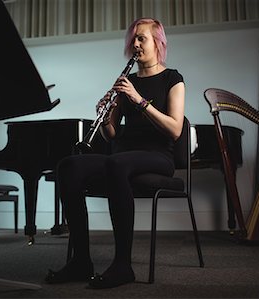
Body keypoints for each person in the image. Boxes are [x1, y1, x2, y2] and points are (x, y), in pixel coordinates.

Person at [45, 17, 185, 289]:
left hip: (159, 156)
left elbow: (175, 130)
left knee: (116, 164)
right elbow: (111, 134)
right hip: (123, 155)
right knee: (69, 166)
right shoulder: (126, 81)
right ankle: (81, 261)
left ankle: (123, 265)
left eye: (141, 38)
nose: (135, 43)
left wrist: (139, 100)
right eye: (133, 38)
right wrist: (107, 114)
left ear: (158, 42)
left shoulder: (173, 79)